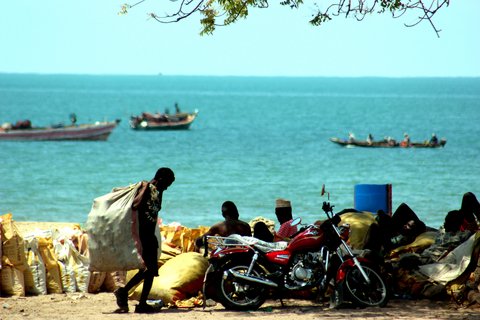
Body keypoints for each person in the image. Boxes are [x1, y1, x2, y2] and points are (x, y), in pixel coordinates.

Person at [114, 167, 175, 314]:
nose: (167, 187)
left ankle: (136, 300)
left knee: (150, 269)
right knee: (149, 269)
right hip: (143, 235)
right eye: (167, 184)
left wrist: (161, 192)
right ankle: (126, 294)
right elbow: (136, 205)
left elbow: (157, 208)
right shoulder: (147, 188)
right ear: (160, 179)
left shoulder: (156, 191)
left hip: (149, 234)